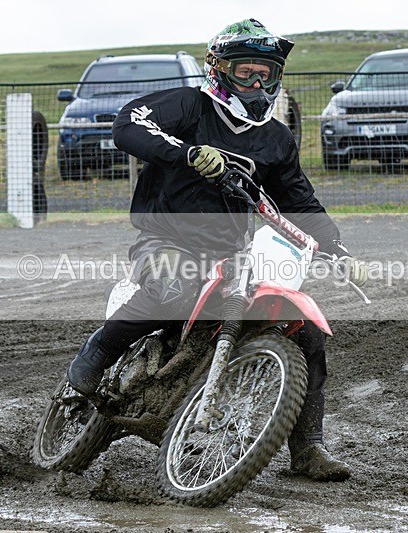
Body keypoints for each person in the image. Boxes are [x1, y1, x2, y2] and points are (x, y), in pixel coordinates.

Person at [67, 18, 367, 482]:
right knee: (174, 285)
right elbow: (127, 123)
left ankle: (307, 448)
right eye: (245, 71)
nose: (255, 82)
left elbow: (298, 198)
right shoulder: (189, 106)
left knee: (306, 332)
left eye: (265, 73)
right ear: (219, 68)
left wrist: (335, 246)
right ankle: (96, 353)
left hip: (232, 251)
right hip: (164, 238)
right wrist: (186, 153)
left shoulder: (276, 139)